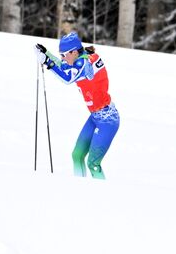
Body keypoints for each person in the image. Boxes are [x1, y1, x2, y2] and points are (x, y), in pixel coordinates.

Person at [37, 31, 119, 178]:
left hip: (108, 119)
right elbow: (64, 66)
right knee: (77, 155)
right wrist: (47, 54)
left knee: (93, 164)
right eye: (60, 54)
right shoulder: (79, 58)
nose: (62, 58)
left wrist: (47, 62)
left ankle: (104, 196)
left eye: (64, 54)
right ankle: (79, 191)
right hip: (95, 116)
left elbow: (67, 77)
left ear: (74, 52)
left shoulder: (84, 63)